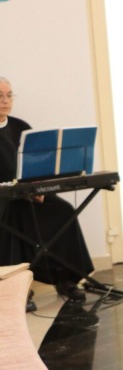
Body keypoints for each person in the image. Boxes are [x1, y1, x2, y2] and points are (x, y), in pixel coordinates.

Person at [0, 76, 92, 303]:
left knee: (62, 209)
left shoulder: (21, 127)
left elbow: (37, 164)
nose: (5, 101)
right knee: (11, 214)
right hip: (4, 198)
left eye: (9, 95)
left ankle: (66, 278)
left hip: (28, 192)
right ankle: (16, 287)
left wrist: (38, 189)